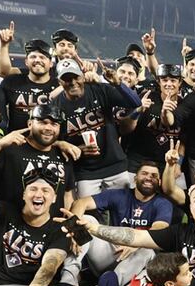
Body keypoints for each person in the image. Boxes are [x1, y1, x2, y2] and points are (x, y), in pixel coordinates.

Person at [57, 161, 174, 286]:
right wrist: (74, 229)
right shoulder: (119, 195)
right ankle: (67, 283)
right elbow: (81, 203)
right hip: (111, 252)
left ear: (159, 181)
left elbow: (160, 228)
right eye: (144, 173)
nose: (149, 177)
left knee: (148, 251)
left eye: (154, 176)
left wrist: (136, 243)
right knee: (87, 221)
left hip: (134, 263)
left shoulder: (162, 203)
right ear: (135, 178)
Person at [52, 57, 142, 195]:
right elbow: (52, 141)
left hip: (115, 166)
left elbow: (135, 103)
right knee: (88, 215)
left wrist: (118, 84)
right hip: (85, 173)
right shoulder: (56, 107)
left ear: (82, 76)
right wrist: (75, 148)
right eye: (67, 79)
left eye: (76, 77)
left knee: (120, 214)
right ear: (60, 82)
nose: (73, 82)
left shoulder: (98, 89)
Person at [0, 22, 60, 130]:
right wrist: (4, 44)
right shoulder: (12, 81)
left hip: (48, 143)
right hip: (16, 143)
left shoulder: (59, 85)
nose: (37, 60)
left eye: (42, 57)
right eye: (33, 57)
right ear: (26, 62)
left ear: (51, 64)